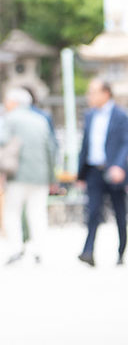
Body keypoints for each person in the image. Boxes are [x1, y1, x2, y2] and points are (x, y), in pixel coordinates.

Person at [76, 78, 128, 267]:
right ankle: (88, 251)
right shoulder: (89, 115)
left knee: (120, 213)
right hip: (94, 170)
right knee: (92, 212)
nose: (89, 96)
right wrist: (81, 175)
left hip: (114, 171)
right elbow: (85, 145)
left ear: (106, 93)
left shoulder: (120, 115)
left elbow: (126, 143)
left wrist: (119, 166)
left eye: (93, 92)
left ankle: (121, 252)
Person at [1, 86, 56, 265]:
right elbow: (51, 149)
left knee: (12, 212)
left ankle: (16, 249)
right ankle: (39, 250)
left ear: (14, 102)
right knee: (38, 213)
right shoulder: (40, 120)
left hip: (17, 174)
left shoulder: (10, 119)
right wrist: (51, 177)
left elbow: (2, 140)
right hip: (40, 175)